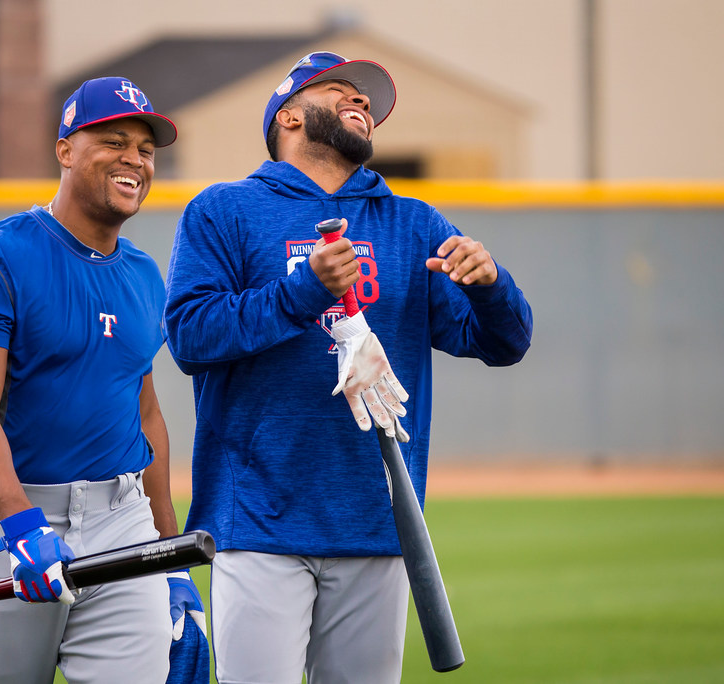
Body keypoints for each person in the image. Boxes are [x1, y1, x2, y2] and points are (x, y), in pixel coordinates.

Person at [164, 51, 533, 683]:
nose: (360, 104)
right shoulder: (223, 210)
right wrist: (303, 290)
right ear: (289, 115)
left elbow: (504, 342)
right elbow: (190, 338)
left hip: (379, 520)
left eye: (368, 100)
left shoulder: (411, 222)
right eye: (340, 92)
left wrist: (492, 287)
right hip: (257, 523)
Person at [0, 76, 205, 684]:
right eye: (113, 141)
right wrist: (21, 524)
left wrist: (168, 553)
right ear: (64, 150)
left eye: (145, 149)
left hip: (121, 521)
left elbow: (145, 415)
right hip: (9, 523)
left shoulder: (143, 274)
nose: (134, 159)